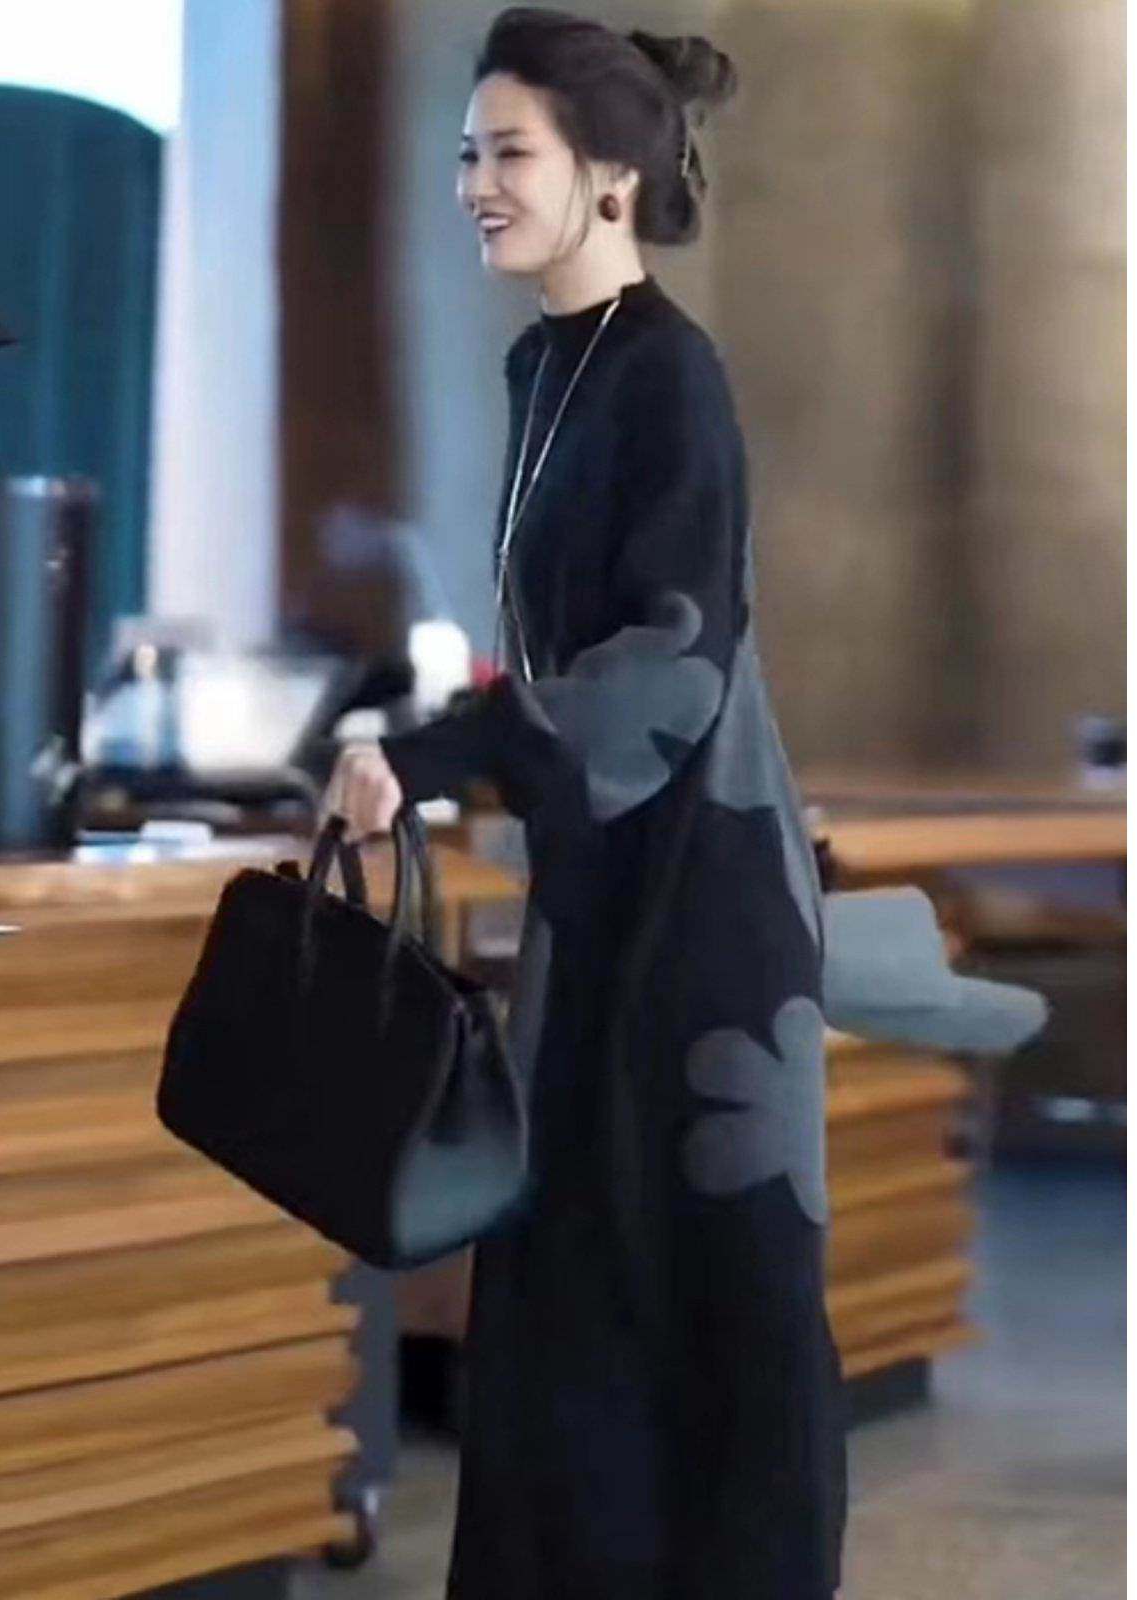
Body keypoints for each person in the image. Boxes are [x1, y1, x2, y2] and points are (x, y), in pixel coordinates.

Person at [325, 9, 847, 1596]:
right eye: (465, 153)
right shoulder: (544, 361)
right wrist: (431, 737)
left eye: (510, 153)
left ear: (611, 175)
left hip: (707, 910)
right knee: (564, 1300)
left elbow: (668, 663)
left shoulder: (672, 377)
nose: (473, 184)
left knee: (716, 1306)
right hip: (599, 894)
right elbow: (558, 654)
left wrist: (438, 754)